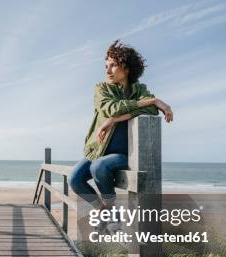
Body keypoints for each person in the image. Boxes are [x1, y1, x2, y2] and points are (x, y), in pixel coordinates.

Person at [69, 40, 173, 211]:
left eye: (113, 65)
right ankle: (102, 209)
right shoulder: (101, 89)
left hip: (124, 154)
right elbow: (111, 108)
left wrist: (117, 119)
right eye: (106, 66)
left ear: (127, 68)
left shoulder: (140, 91)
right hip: (98, 149)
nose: (107, 70)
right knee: (74, 179)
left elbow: (152, 110)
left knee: (99, 166)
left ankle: (110, 210)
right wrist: (153, 100)